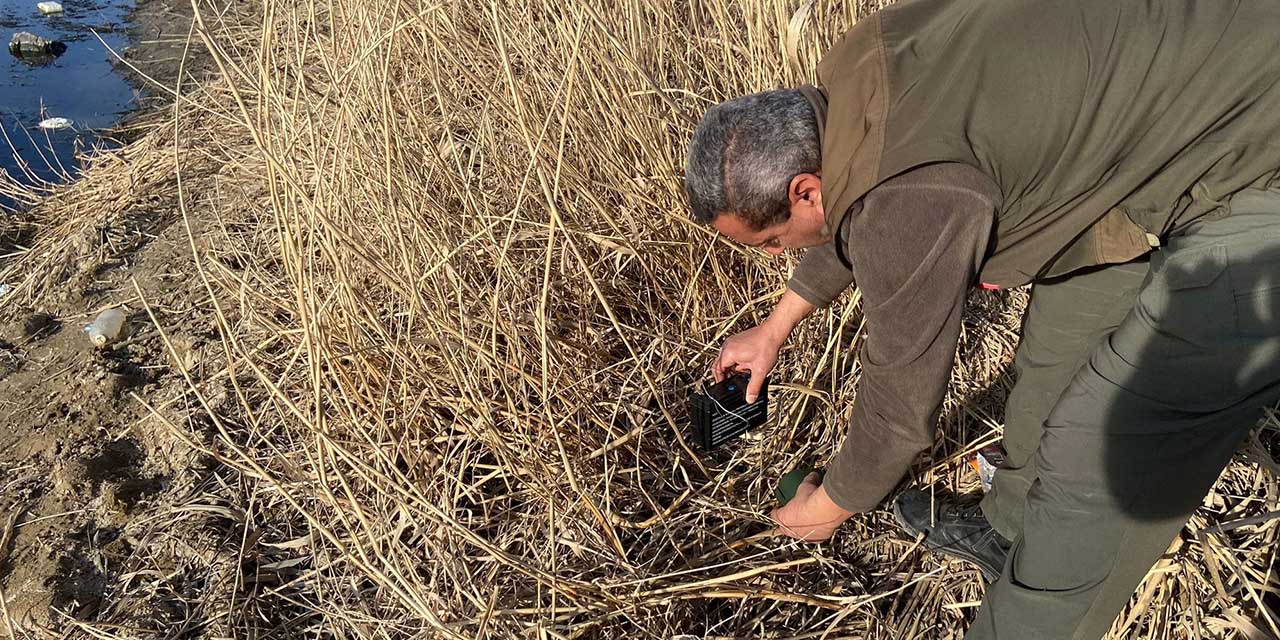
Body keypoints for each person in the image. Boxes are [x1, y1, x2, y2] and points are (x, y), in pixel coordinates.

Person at [683, 0, 1280, 637]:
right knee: (1056, 345)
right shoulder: (859, 67)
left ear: (804, 188)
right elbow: (861, 200)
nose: (781, 255)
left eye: (772, 242)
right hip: (1159, 142)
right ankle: (1008, 530)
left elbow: (898, 406)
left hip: (1257, 152)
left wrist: (830, 506)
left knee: (1103, 448)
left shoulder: (909, 198)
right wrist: (776, 328)